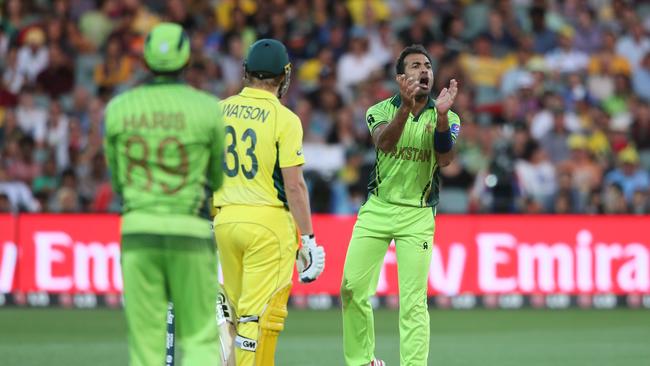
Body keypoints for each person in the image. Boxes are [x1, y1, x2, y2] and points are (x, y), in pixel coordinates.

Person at [103, 23, 224, 366]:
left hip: (139, 230)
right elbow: (216, 177)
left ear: (145, 60)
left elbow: (117, 181)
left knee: (146, 344)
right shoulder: (207, 109)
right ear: (188, 59)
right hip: (191, 232)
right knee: (200, 337)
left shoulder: (118, 109)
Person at [341, 44, 461, 366]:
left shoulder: (448, 114)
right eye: (415, 66)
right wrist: (405, 109)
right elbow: (385, 143)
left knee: (412, 303)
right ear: (400, 77)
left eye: (427, 66)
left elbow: (446, 159)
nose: (423, 71)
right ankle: (361, 361)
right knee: (351, 289)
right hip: (377, 209)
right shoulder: (378, 110)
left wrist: (442, 118)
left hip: (418, 215)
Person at [212, 38, 326, 366]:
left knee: (235, 316)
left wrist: (210, 217)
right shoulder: (285, 118)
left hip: (226, 221)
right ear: (284, 76)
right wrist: (308, 240)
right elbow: (294, 185)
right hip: (268, 227)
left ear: (246, 72)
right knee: (260, 320)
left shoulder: (219, 111)